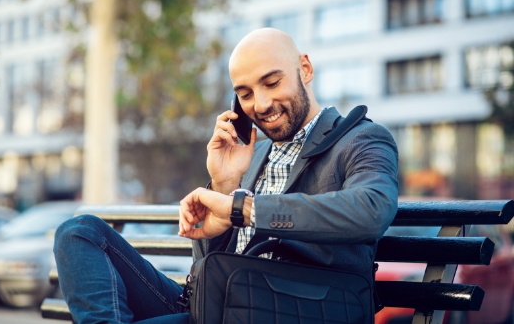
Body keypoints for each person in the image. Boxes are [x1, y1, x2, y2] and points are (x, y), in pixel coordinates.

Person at [54, 28, 399, 324]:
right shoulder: (251, 155)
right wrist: (224, 182)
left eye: (272, 82)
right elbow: (207, 267)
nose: (260, 105)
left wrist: (247, 209)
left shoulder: (360, 138)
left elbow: (372, 208)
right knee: (79, 232)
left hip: (292, 307)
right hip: (220, 304)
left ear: (304, 69)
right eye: (245, 93)